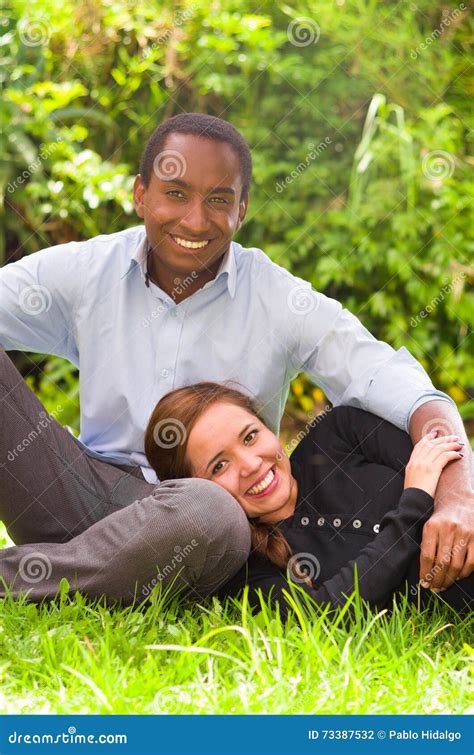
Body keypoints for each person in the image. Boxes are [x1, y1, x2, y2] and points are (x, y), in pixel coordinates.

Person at [0, 113, 472, 605]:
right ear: (141, 194)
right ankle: (81, 571)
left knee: (213, 513)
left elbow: (389, 379)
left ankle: (38, 576)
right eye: (176, 193)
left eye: (219, 200)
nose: (195, 220)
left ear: (241, 210)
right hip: (75, 492)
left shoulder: (278, 298)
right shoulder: (85, 271)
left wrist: (460, 489)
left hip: (202, 530)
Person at [144, 382, 474, 617]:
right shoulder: (246, 569)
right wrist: (414, 502)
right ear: (197, 490)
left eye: (250, 436)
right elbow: (327, 613)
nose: (251, 464)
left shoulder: (337, 433)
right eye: (219, 465)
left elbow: (446, 458)